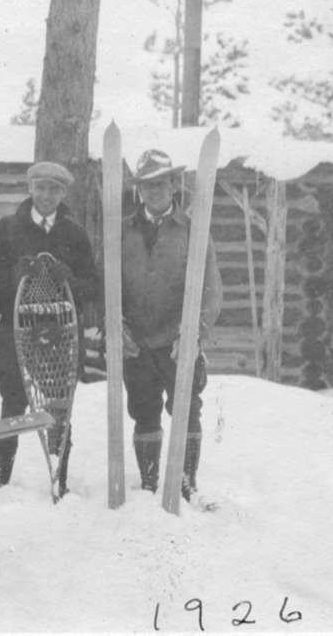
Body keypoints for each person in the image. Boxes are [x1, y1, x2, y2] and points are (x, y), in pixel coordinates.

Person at [0, 161, 97, 491]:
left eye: (54, 190)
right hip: (16, 328)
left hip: (60, 331)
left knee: (59, 404)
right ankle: (3, 481)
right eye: (41, 188)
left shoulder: (73, 233)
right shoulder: (8, 228)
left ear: (63, 194)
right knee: (13, 400)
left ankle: (59, 479)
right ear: (30, 189)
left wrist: (70, 280)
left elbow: (92, 283)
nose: (47, 196)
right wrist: (15, 277)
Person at [121, 149, 222, 501]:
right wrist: (116, 327)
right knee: (143, 410)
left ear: (173, 185)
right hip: (137, 342)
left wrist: (195, 334)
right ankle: (149, 483)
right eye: (147, 186)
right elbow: (109, 285)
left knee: (187, 409)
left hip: (178, 340)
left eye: (160, 184)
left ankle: (186, 482)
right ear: (139, 190)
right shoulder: (123, 232)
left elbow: (210, 288)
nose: (154, 192)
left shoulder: (193, 230)